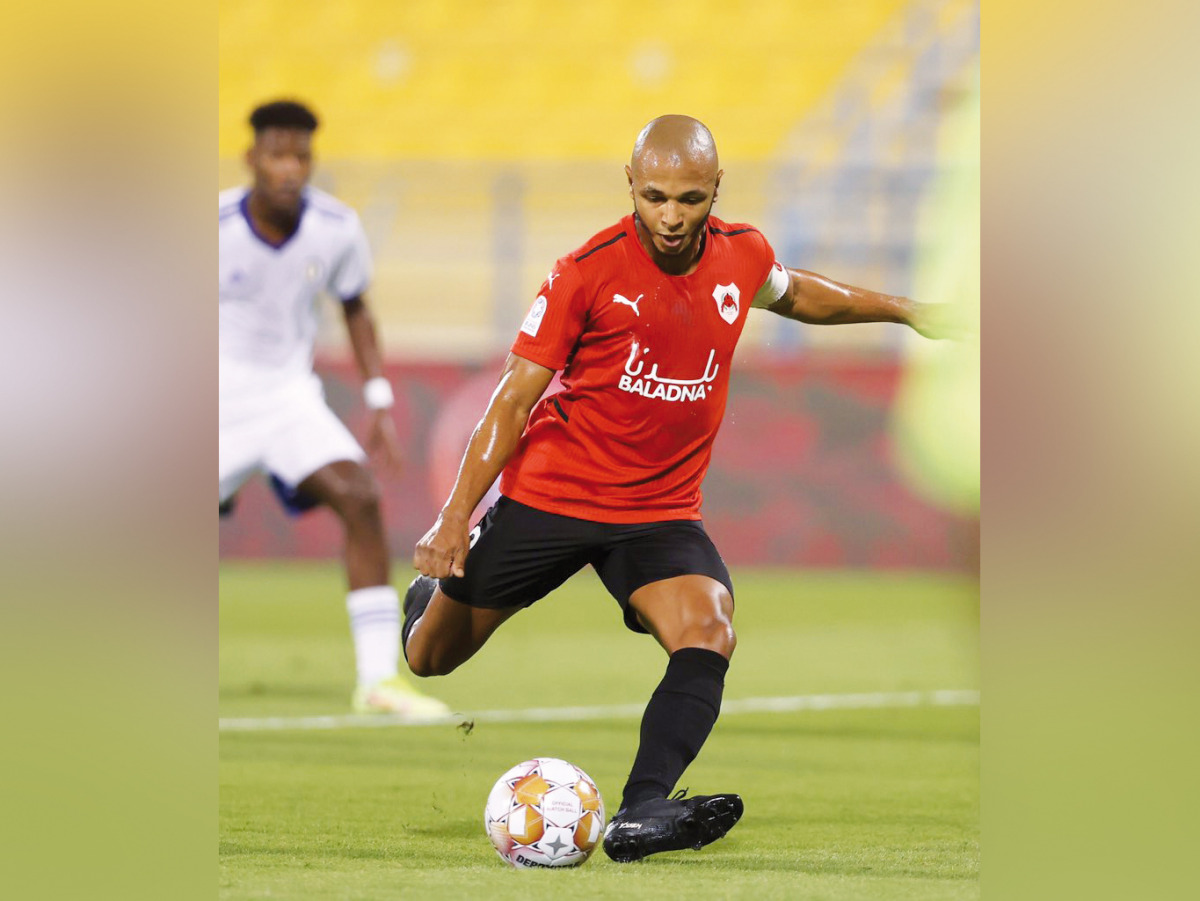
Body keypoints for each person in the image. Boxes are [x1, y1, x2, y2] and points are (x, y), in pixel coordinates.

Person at [403, 115, 950, 861]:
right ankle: (423, 608)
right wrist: (453, 517)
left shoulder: (741, 253)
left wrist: (907, 310)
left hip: (657, 513)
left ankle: (641, 809)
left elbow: (796, 294)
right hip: (552, 497)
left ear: (715, 190)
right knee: (431, 658)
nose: (670, 215)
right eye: (654, 196)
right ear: (630, 186)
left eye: (689, 198)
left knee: (709, 628)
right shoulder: (584, 272)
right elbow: (511, 400)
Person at [219, 99, 449, 719]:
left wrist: (378, 398)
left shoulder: (336, 226)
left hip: (289, 397)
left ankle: (378, 682)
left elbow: (356, 307)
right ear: (252, 159)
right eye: (277, 154)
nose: (290, 168)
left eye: (300, 155)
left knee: (360, 496)